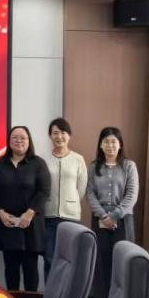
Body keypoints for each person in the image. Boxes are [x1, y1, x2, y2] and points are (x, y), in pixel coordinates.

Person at [86, 126, 139, 298]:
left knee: (122, 262)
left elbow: (131, 194)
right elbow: (90, 194)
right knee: (102, 263)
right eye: (106, 142)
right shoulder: (94, 167)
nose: (110, 145)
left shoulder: (129, 166)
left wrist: (115, 216)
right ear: (100, 145)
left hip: (123, 220)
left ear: (120, 144)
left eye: (113, 142)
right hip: (99, 219)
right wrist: (103, 215)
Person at [0, 125, 50, 292]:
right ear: (9, 141)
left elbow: (44, 191)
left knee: (31, 270)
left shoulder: (38, 164)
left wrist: (29, 213)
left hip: (30, 225)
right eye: (15, 138)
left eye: (23, 138)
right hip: (7, 224)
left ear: (29, 141)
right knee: (11, 269)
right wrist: (0, 213)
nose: (19, 141)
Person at [41, 117, 88, 281]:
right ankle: (50, 294)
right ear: (50, 136)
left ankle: (67, 295)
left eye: (63, 132)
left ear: (69, 135)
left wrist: (70, 202)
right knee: (49, 258)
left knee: (69, 259)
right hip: (48, 215)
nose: (59, 136)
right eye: (55, 133)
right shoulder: (43, 159)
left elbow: (81, 187)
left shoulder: (78, 159)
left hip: (70, 217)